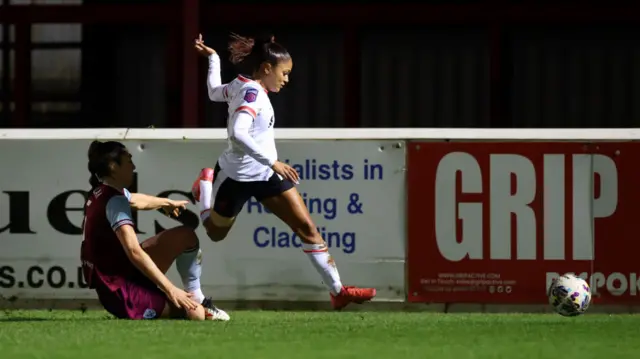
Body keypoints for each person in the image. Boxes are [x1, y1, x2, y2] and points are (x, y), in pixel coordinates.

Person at [191, 33, 376, 310]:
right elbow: (238, 134)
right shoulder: (253, 95)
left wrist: (214, 58)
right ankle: (205, 187)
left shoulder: (242, 86)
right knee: (214, 233)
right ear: (266, 68)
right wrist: (273, 162)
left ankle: (338, 292)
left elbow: (213, 91)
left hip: (265, 176)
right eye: (284, 73)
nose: (286, 79)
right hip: (236, 178)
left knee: (306, 228)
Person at [80, 140, 230, 321]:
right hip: (122, 293)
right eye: (128, 161)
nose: (133, 167)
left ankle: (197, 297)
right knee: (196, 314)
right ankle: (186, 304)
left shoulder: (102, 192)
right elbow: (134, 251)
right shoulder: (114, 201)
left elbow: (134, 199)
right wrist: (171, 289)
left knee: (186, 236)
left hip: (119, 278)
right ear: (113, 167)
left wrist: (165, 203)